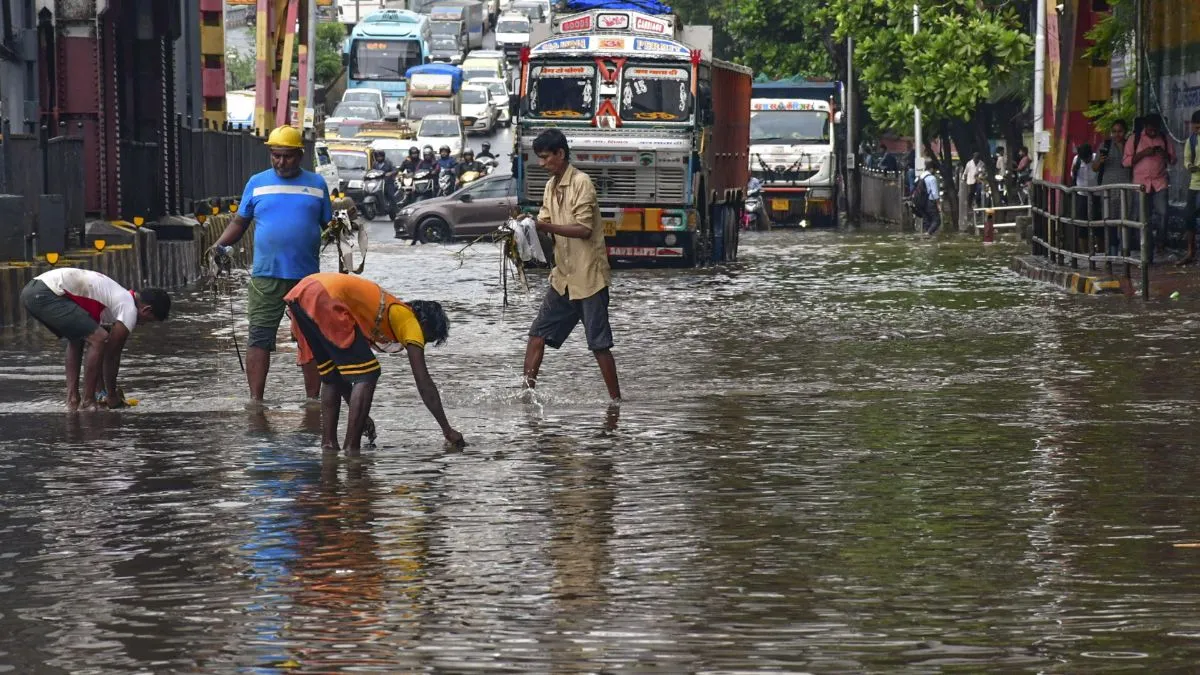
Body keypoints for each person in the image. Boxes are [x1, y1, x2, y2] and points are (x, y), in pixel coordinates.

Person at [211, 125, 331, 405]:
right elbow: (240, 222)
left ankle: (313, 401)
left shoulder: (317, 185)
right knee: (260, 336)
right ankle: (256, 401)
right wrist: (219, 246)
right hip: (266, 276)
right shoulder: (256, 183)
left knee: (310, 340)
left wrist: (345, 234)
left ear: (300, 155)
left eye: (287, 156)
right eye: (276, 156)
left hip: (306, 278)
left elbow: (330, 226)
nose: (281, 162)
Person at [284, 272, 464, 454]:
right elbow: (423, 383)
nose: (421, 344)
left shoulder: (386, 311)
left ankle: (329, 445)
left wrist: (361, 416)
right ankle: (351, 448)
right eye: (428, 339)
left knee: (331, 375)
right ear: (424, 324)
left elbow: (341, 379)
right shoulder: (411, 322)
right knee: (369, 374)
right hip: (326, 295)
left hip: (303, 292)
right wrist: (447, 430)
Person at [522, 129, 621, 403]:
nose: (541, 164)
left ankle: (616, 401)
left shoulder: (581, 183)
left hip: (589, 277)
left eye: (545, 158)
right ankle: (526, 396)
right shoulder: (550, 187)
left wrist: (543, 225)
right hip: (562, 278)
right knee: (536, 335)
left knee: (599, 345)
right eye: (539, 158)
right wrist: (524, 229)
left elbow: (584, 229)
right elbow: (543, 228)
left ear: (560, 154)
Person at [20, 268, 170, 410]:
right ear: (146, 309)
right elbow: (111, 355)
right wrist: (112, 396)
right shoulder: (128, 308)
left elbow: (99, 356)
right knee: (99, 338)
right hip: (45, 294)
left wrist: (102, 391)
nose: (143, 325)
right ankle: (88, 402)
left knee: (79, 339)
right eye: (148, 320)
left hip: (34, 291)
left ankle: (73, 400)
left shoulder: (113, 300)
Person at [1123, 113, 1176, 259]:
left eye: (1156, 129)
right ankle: (1147, 248)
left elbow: (1173, 160)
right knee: (1142, 218)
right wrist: (1143, 153)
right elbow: (1126, 162)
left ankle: (1160, 242)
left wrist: (1164, 154)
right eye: (1151, 129)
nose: (1153, 132)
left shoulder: (1165, 138)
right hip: (1141, 184)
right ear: (1145, 127)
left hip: (1160, 182)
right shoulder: (1135, 139)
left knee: (1163, 213)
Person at [1093, 119, 1132, 255]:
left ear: (1125, 132)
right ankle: (1113, 251)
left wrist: (1122, 147)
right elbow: (1094, 167)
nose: (1117, 134)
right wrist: (1101, 160)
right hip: (1108, 189)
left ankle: (1126, 251)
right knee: (1110, 221)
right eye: (1114, 131)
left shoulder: (1130, 145)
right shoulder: (1105, 145)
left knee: (1125, 221)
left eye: (1120, 131)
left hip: (1127, 189)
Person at [1181, 110, 1200, 264]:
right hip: (1194, 183)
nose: (1197, 130)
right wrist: (1190, 166)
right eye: (1195, 128)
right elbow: (1186, 159)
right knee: (1189, 217)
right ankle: (1190, 251)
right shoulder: (1191, 140)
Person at [915, 165, 941, 235]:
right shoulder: (932, 178)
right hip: (930, 201)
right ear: (931, 169)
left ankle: (925, 236)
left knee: (927, 220)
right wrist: (938, 204)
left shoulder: (920, 177)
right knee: (937, 220)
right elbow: (935, 193)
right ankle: (928, 234)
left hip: (920, 202)